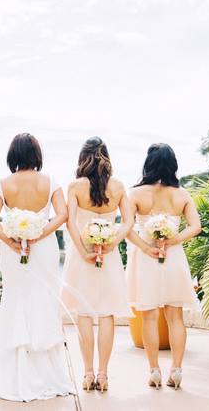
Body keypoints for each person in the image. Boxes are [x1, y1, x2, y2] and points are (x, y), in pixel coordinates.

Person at [0, 133, 75, 402]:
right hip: (43, 247)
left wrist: (10, 240)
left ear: (13, 155)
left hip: (14, 249)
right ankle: (47, 374)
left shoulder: (2, 183)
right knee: (44, 301)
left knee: (15, 299)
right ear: (36, 155)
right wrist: (39, 232)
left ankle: (16, 374)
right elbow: (62, 214)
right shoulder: (51, 181)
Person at [126, 143, 202, 390]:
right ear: (173, 165)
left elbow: (126, 228)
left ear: (148, 164)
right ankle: (177, 371)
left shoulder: (135, 194)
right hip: (174, 257)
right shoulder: (182, 195)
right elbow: (195, 226)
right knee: (175, 317)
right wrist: (172, 240)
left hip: (146, 258)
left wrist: (147, 247)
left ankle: (154, 371)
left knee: (148, 317)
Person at [62, 137, 133, 392]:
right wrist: (113, 243)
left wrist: (82, 251)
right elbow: (128, 221)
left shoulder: (75, 186)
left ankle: (87, 373)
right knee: (106, 313)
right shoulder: (118, 186)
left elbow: (69, 222)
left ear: (83, 158)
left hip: (82, 256)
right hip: (109, 256)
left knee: (83, 312)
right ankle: (103, 375)